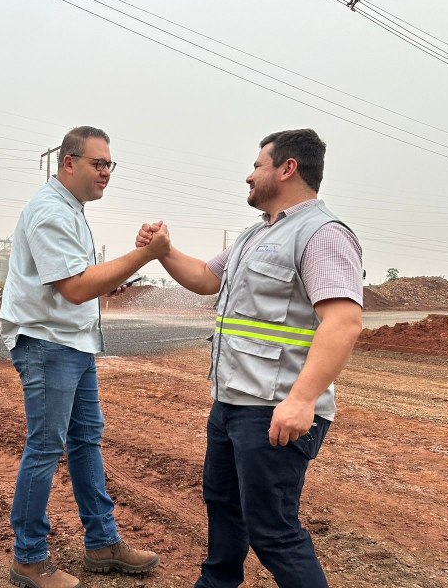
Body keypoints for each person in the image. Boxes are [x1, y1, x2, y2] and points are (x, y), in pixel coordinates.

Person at [137, 128, 363, 588]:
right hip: (233, 403)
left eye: (258, 165)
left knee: (273, 531)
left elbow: (343, 322)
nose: (249, 175)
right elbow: (204, 278)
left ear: (287, 168)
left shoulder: (322, 234)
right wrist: (163, 252)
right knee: (223, 506)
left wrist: (302, 401)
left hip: (276, 408)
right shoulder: (255, 234)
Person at [0, 125, 169, 588]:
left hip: (71, 343)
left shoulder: (69, 210)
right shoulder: (49, 212)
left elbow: (81, 279)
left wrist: (119, 269)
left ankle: (101, 542)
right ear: (68, 162)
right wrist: (144, 255)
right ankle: (28, 559)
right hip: (47, 344)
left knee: (85, 440)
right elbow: (75, 288)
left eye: (110, 164)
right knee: (45, 447)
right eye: (99, 163)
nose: (107, 173)